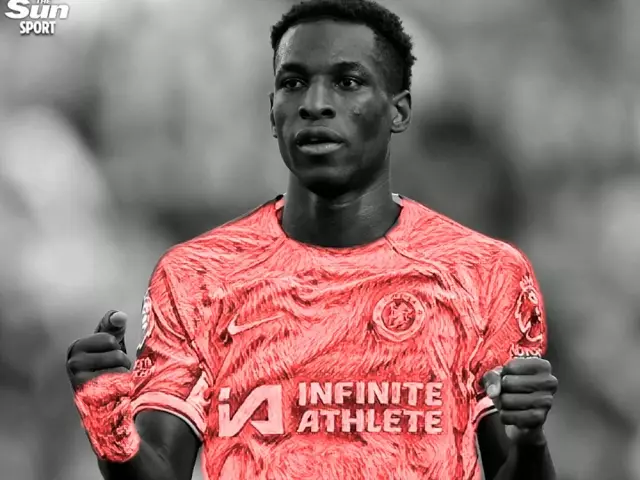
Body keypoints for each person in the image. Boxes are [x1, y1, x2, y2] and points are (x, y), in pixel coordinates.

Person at [65, 0, 558, 479]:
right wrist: (108, 423)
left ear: (399, 110)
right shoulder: (197, 278)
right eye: (293, 83)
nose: (315, 104)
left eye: (348, 82)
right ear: (272, 111)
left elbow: (514, 459)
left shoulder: (484, 274)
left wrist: (531, 441)